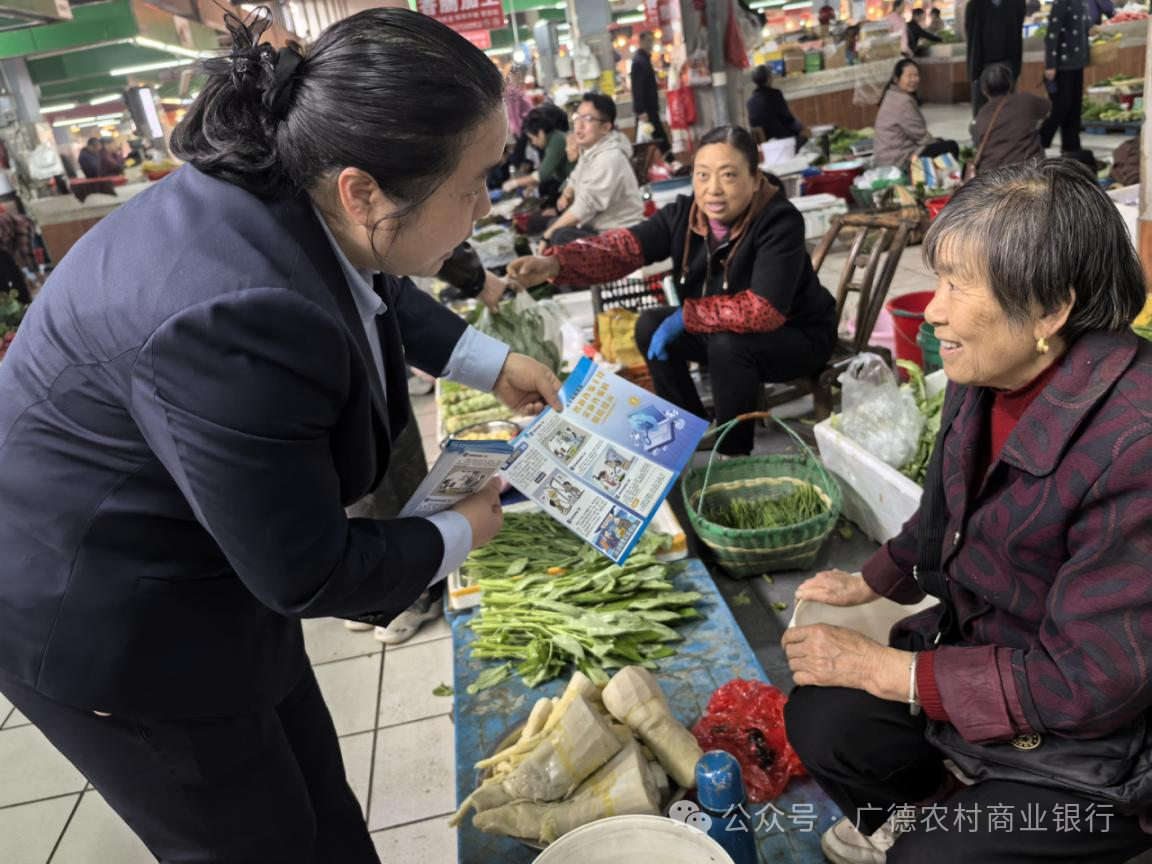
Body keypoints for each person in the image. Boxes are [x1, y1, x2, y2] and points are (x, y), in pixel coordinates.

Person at [0, 9, 562, 863]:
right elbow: (308, 570)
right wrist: (460, 532)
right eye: (475, 183)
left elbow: (366, 276)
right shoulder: (233, 318)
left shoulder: (287, 189)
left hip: (206, 564)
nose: (484, 206)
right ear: (362, 188)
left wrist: (489, 363)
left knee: (318, 811)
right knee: (257, 842)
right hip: (107, 615)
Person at [782, 158, 1152, 864]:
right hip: (986, 668)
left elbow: (1091, 680)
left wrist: (886, 672)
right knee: (821, 713)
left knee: (927, 860)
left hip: (1104, 752)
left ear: (1051, 310)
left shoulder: (1136, 443)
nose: (937, 308)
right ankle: (939, 816)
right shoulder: (986, 369)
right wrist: (869, 581)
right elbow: (944, 510)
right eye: (939, 276)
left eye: (959, 284)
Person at [509, 126, 837, 456]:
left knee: (727, 346)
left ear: (754, 179)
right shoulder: (684, 215)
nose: (713, 190)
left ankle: (732, 451)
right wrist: (554, 264)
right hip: (727, 333)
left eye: (728, 176)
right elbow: (622, 249)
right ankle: (687, 430)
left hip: (797, 336)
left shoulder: (778, 220)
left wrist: (688, 316)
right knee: (650, 324)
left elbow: (763, 310)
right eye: (703, 175)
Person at [543, 92, 645, 246]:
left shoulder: (609, 158)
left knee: (559, 235)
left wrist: (546, 236)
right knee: (553, 224)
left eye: (588, 119)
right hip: (597, 228)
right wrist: (569, 190)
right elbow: (577, 175)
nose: (579, 124)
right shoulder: (591, 150)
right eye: (578, 117)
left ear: (605, 128)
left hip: (619, 235)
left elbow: (585, 206)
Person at [873, 60, 960, 169]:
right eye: (909, 76)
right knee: (951, 146)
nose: (914, 79)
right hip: (898, 160)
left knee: (940, 143)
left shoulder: (891, 94)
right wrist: (937, 143)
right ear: (896, 78)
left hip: (888, 157)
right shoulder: (902, 102)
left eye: (916, 75)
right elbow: (920, 136)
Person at [969, 63, 1047, 173]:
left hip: (996, 180)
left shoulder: (979, 119)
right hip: (1031, 174)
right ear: (1011, 83)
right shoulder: (1026, 101)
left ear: (984, 90)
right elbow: (1048, 108)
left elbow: (978, 145)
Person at [1041, 0, 1090, 155]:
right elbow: (1052, 33)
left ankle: (1071, 146)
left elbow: (1082, 27)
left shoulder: (1081, 3)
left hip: (1077, 62)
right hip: (1063, 63)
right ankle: (1040, 139)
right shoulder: (1061, 3)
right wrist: (1050, 64)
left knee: (1075, 107)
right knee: (1061, 107)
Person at [502, 105, 575, 207]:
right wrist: (533, 184)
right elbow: (548, 171)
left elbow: (542, 174)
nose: (533, 142)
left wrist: (514, 183)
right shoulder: (551, 140)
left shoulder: (556, 141)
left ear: (540, 133)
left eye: (532, 138)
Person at [964, 0, 1025, 115]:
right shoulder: (975, 5)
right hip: (982, 66)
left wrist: (1015, 69)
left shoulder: (1017, 3)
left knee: (1008, 109)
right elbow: (971, 36)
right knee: (982, 111)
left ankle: (1008, 132)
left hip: (1008, 64)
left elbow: (1017, 32)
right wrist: (974, 71)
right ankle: (983, 132)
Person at [747, 65, 807, 143]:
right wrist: (803, 128)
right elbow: (788, 120)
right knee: (804, 137)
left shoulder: (750, 101)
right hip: (780, 140)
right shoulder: (775, 94)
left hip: (762, 143)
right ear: (768, 79)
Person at [631, 30, 670, 153]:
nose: (650, 44)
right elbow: (637, 87)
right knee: (653, 139)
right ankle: (671, 161)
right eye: (648, 41)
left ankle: (670, 161)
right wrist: (640, 110)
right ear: (641, 42)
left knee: (647, 139)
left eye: (652, 41)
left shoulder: (644, 60)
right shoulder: (639, 61)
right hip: (646, 110)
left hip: (649, 109)